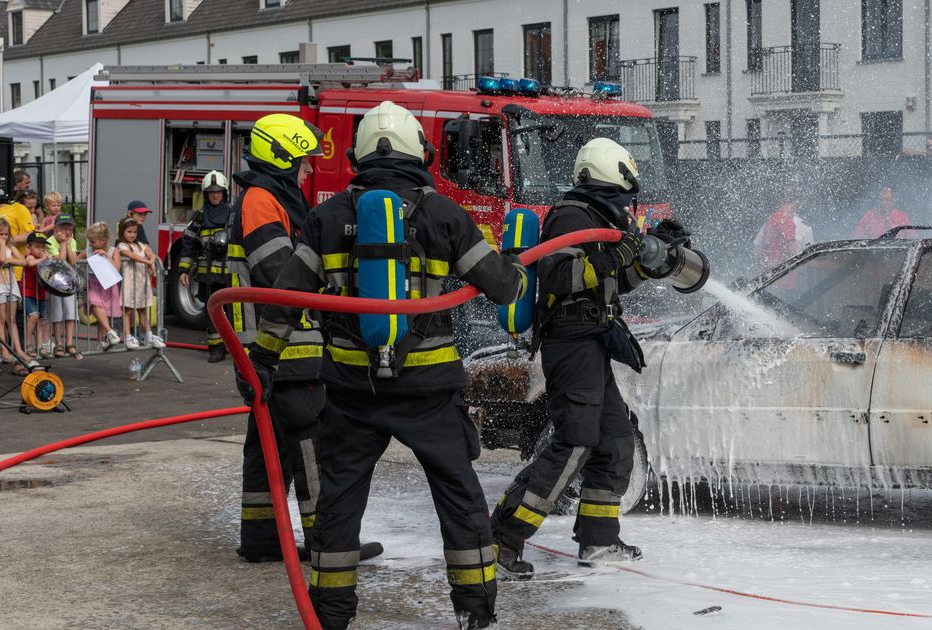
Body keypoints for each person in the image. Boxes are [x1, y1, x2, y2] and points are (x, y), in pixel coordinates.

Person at [245, 102, 524, 630]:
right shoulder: (446, 215)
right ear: (423, 152)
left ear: (355, 156)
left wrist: (261, 362)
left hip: (351, 393)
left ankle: (330, 616)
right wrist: (517, 268)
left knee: (339, 506)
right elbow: (503, 287)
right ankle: (475, 613)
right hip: (431, 392)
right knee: (460, 500)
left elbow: (285, 298)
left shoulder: (324, 219)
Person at [490, 138, 658, 582]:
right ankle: (502, 540)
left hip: (593, 341)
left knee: (616, 441)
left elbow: (614, 282)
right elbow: (560, 275)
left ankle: (599, 539)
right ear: (611, 174)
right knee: (575, 445)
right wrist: (612, 256)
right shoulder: (571, 215)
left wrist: (645, 260)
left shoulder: (600, 217)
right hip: (571, 343)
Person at [222, 113, 329, 569]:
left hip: (270, 350)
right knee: (311, 447)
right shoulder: (263, 200)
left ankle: (264, 538)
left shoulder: (264, 196)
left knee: (268, 448)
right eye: (303, 162)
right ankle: (329, 542)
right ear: (281, 156)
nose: (308, 171)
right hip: (287, 348)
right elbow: (282, 276)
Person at [177, 170, 233, 362]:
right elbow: (189, 243)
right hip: (207, 275)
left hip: (229, 274)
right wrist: (184, 270)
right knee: (212, 314)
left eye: (218, 191)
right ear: (206, 194)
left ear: (224, 192)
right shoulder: (199, 217)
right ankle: (216, 349)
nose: (215, 195)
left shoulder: (233, 216)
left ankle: (234, 348)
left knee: (234, 313)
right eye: (211, 192)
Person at [0, 217, 31, 373]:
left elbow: (24, 261)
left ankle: (18, 350)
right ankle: (4, 350)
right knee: (1, 318)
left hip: (11, 284)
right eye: (1, 234)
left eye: (6, 234)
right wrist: (0, 245)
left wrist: (9, 259)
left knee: (12, 319)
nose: (4, 237)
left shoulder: (11, 246)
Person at [116, 218, 163, 350]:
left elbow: (150, 252)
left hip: (142, 282)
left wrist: (152, 261)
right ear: (122, 232)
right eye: (129, 231)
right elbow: (132, 256)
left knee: (142, 310)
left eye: (135, 232)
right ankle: (128, 336)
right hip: (130, 282)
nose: (132, 234)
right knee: (127, 311)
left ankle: (149, 335)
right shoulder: (122, 246)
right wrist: (148, 262)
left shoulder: (140, 245)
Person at [81, 222, 122, 350]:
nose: (90, 244)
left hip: (108, 284)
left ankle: (103, 339)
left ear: (103, 241)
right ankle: (110, 332)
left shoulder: (113, 251)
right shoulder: (88, 251)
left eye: (93, 242)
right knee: (95, 304)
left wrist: (106, 256)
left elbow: (116, 267)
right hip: (93, 284)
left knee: (103, 313)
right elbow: (75, 261)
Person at [47, 214, 83, 359]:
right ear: (56, 229)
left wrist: (68, 244)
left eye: (69, 229)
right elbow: (61, 261)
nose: (67, 232)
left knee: (70, 312)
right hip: (54, 282)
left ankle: (69, 342)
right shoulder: (50, 242)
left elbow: (73, 261)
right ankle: (58, 343)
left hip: (69, 281)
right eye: (63, 228)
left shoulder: (72, 241)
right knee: (57, 314)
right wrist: (62, 244)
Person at [753, 188, 813, 270]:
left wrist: (768, 261)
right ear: (796, 203)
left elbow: (757, 251)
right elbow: (799, 253)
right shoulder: (787, 222)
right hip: (789, 273)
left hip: (771, 273)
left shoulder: (769, 222)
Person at [23, 231, 51, 359]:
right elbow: (30, 263)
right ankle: (28, 344)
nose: (41, 249)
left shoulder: (43, 258)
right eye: (37, 247)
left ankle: (40, 346)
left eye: (43, 247)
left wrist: (48, 259)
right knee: (33, 316)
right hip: (28, 292)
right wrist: (43, 258)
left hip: (40, 293)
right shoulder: (30, 257)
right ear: (29, 247)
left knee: (41, 320)